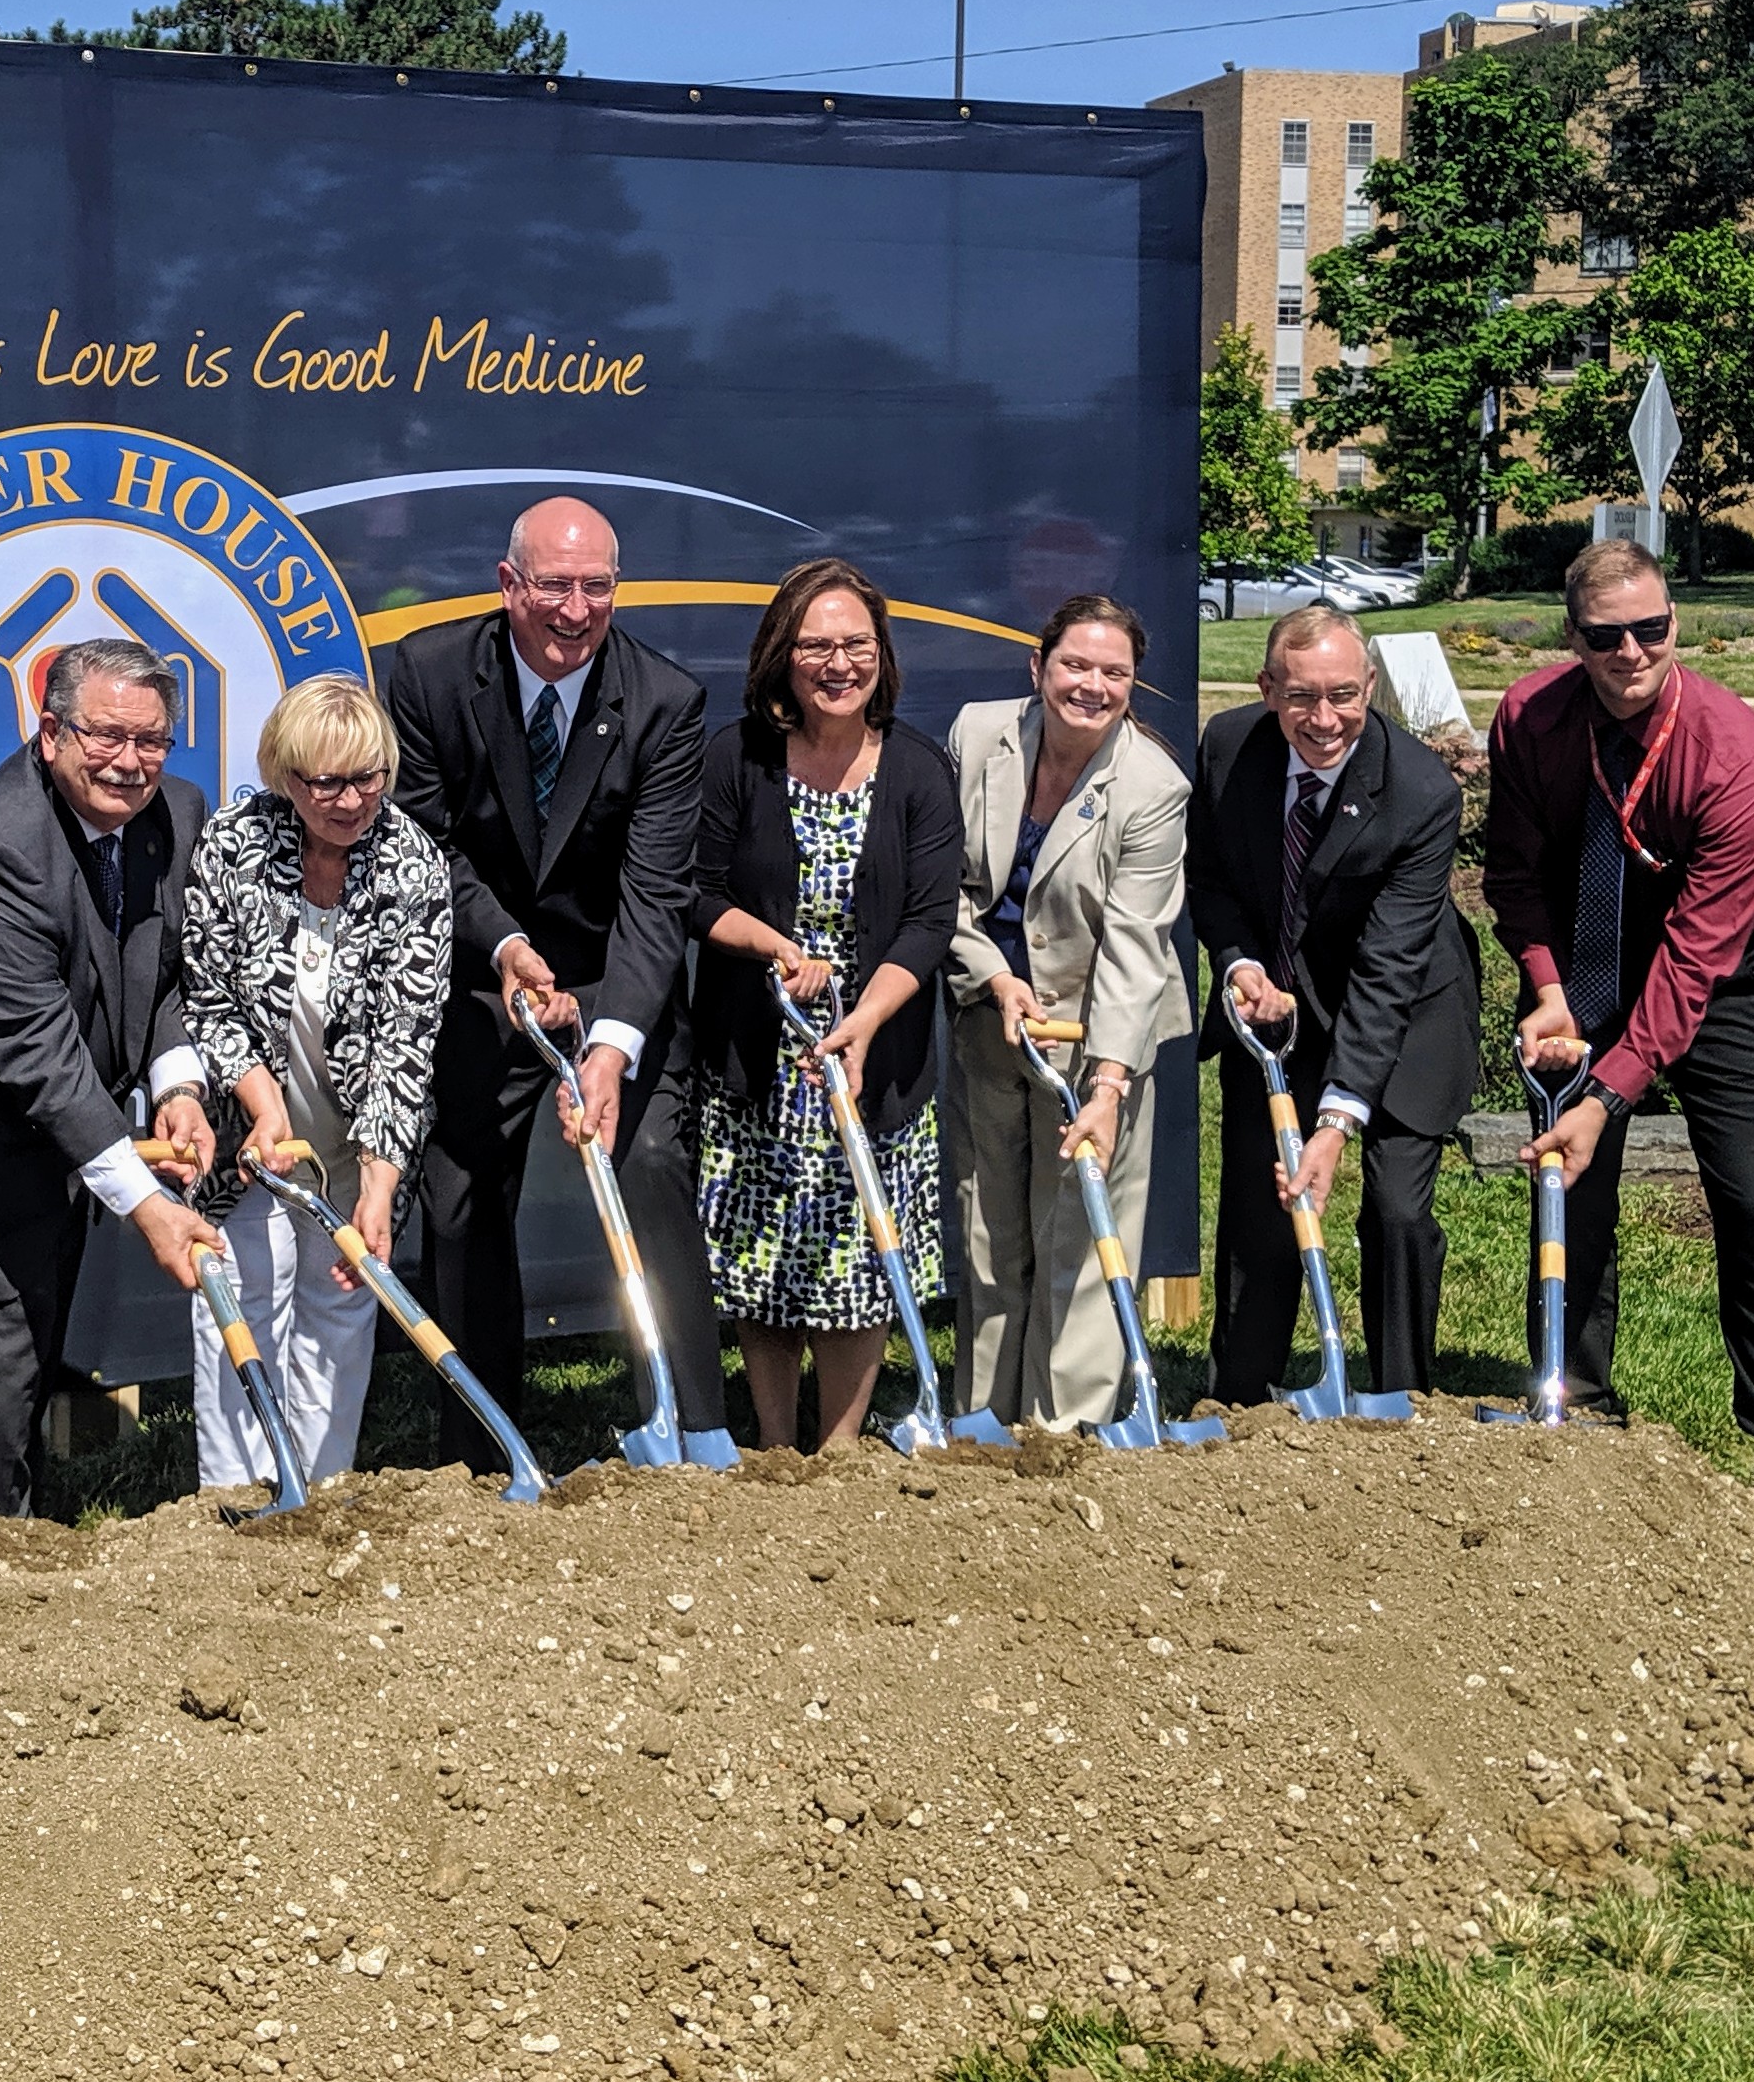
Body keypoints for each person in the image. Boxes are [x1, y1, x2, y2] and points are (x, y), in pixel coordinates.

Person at [1484, 537, 1754, 1509]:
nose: (1632, 651)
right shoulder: (1530, 717)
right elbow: (1511, 874)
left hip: (1723, 974)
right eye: (1606, 636)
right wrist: (1546, 987)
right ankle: (1578, 1402)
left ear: (1675, 621)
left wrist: (1607, 1091)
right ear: (1573, 638)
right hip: (1580, 956)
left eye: (1652, 628)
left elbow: (1693, 959)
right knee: (1570, 1187)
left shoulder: (1738, 757)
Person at [386, 496, 726, 1469]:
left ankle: (692, 1424)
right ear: (508, 584)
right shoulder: (430, 672)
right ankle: (482, 1447)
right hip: (486, 972)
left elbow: (656, 895)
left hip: (614, 973)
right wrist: (499, 946)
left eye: (596, 587)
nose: (574, 610)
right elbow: (421, 843)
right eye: (553, 585)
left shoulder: (665, 700)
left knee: (654, 1161)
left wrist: (614, 1046)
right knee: (458, 1192)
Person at [0, 640, 229, 1515]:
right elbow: (36, 1051)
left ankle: (8, 1536)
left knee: (35, 1350)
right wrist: (149, 1204)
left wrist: (181, 1088)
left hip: (76, 1144)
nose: (130, 761)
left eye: (151, 739)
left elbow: (161, 977)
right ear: (51, 734)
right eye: (107, 735)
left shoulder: (179, 813)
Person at [686, 560, 964, 1451]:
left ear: (881, 654)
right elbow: (695, 888)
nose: (837, 663)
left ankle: (839, 1444)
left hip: (871, 1052)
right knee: (765, 1266)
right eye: (816, 645)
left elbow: (929, 919)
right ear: (782, 656)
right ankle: (772, 1440)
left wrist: (866, 1018)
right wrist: (775, 949)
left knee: (859, 1263)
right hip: (760, 1056)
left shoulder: (919, 769)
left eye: (856, 644)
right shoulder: (737, 758)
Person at [1190, 606, 1479, 1403]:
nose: (1325, 719)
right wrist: (1239, 962)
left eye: (1345, 695)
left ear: (1371, 687)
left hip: (1408, 1008)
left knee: (1394, 1209)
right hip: (1278, 1006)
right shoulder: (1227, 747)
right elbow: (1209, 881)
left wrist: (1336, 1119)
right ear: (1268, 688)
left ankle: (1400, 1401)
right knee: (1262, 1203)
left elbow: (1390, 967)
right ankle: (1241, 1397)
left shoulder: (1419, 792)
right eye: (1302, 697)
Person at [177, 677, 454, 1489]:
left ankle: (320, 1495)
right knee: (242, 1291)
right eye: (324, 781)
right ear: (284, 775)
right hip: (248, 1133)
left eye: (367, 775)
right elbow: (212, 1000)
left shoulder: (413, 865)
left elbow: (407, 1041)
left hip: (356, 1139)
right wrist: (262, 1112)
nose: (349, 799)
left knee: (342, 1302)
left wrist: (377, 1184)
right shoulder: (233, 846)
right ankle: (233, 1500)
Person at [946, 594, 1193, 1432]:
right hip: (992, 1018)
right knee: (991, 1235)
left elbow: (1136, 943)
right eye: (1074, 665)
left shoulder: (1153, 788)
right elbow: (940, 886)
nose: (1092, 685)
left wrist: (1110, 1086)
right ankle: (984, 1421)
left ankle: (1067, 1430)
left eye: (1114, 672)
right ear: (1038, 668)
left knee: (1080, 1244)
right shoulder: (980, 735)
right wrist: (989, 976)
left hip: (1099, 1037)